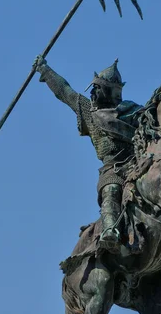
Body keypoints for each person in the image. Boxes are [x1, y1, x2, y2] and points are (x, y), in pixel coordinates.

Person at [33, 55, 142, 254]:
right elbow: (65, 91)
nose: (94, 93)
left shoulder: (132, 111)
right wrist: (45, 71)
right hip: (113, 170)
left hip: (139, 164)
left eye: (98, 88)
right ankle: (110, 230)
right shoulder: (89, 112)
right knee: (111, 191)